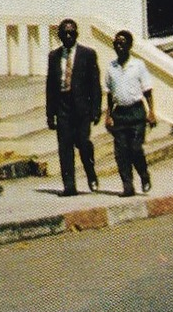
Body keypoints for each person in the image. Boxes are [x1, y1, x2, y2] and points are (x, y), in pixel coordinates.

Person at [46, 18, 101, 195]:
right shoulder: (54, 56)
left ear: (77, 34)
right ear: (60, 36)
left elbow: (95, 84)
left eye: (72, 33)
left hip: (82, 108)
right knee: (65, 147)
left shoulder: (88, 54)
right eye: (65, 33)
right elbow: (50, 86)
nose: (68, 36)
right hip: (63, 107)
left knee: (83, 143)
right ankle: (69, 185)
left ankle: (90, 173)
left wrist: (96, 110)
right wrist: (50, 113)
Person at [104, 29, 155, 198]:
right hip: (120, 114)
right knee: (121, 152)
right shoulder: (111, 67)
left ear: (129, 46)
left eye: (123, 44)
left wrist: (152, 111)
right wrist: (108, 114)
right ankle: (127, 185)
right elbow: (110, 93)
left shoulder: (138, 65)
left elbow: (147, 90)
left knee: (135, 148)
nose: (119, 47)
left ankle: (144, 175)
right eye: (116, 44)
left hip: (136, 112)